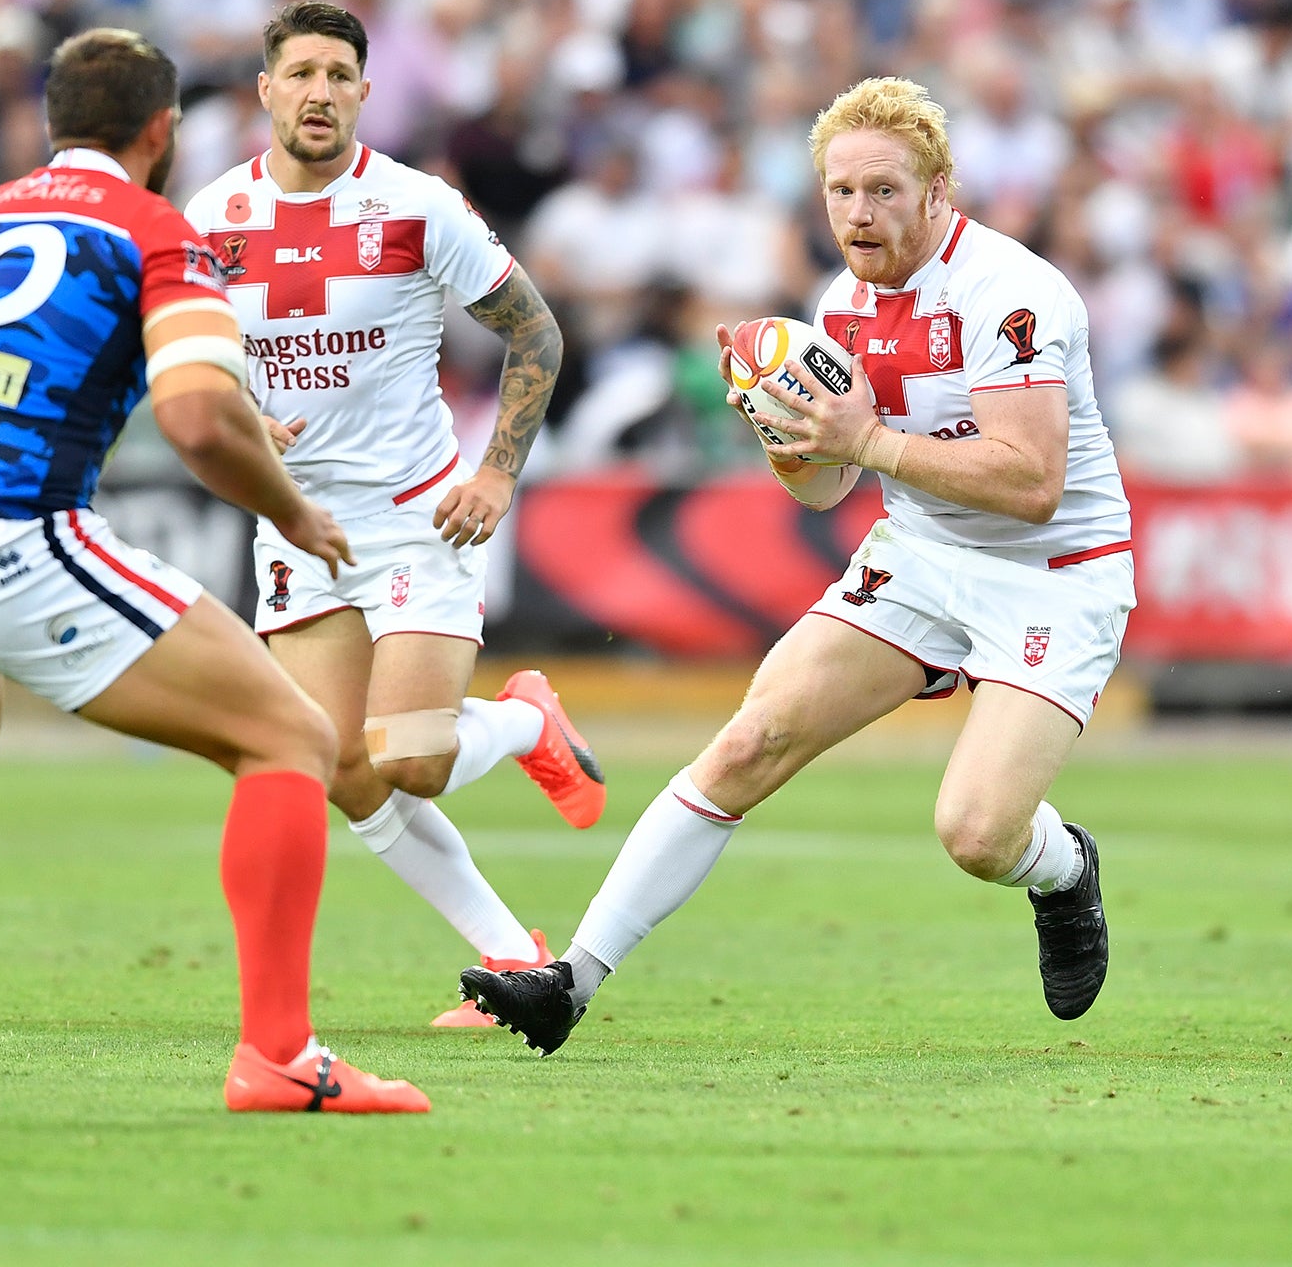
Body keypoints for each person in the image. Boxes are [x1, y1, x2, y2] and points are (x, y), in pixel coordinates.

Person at [0, 27, 426, 1113]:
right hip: (11, 535)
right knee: (289, 737)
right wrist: (293, 511)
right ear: (162, 130)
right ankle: (280, 1055)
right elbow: (197, 420)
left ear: (52, 123)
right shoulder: (155, 228)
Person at [462, 76, 1135, 1053]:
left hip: (1054, 570)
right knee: (748, 742)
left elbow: (1029, 480)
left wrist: (861, 440)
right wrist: (788, 441)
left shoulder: (1013, 293)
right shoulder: (840, 304)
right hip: (922, 553)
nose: (857, 213)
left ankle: (1063, 870)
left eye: (883, 190)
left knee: (978, 834)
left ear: (938, 189)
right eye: (839, 190)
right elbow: (822, 492)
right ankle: (570, 980)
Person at [184, 1, 603, 1027]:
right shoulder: (206, 222)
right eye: (301, 73)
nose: (320, 91)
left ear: (366, 92)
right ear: (265, 91)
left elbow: (536, 336)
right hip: (296, 529)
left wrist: (497, 474)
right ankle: (512, 954)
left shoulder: (420, 208)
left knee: (409, 755)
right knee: (340, 767)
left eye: (339, 74)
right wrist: (240, 417)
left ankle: (517, 720)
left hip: (420, 517)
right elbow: (188, 362)